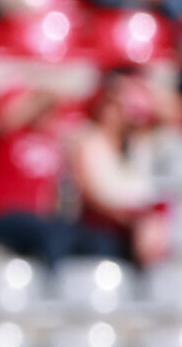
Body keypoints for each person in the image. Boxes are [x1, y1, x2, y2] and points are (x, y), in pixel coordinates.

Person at [0, 89, 115, 266]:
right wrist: (44, 97)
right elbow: (7, 120)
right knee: (53, 234)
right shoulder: (10, 136)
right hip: (5, 215)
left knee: (100, 241)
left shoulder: (55, 145)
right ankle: (52, 286)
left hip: (42, 219)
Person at [68, 67, 174, 266]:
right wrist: (131, 221)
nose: (117, 112)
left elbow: (169, 115)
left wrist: (141, 89)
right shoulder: (86, 140)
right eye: (112, 104)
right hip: (103, 223)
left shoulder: (138, 141)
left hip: (140, 223)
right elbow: (91, 196)